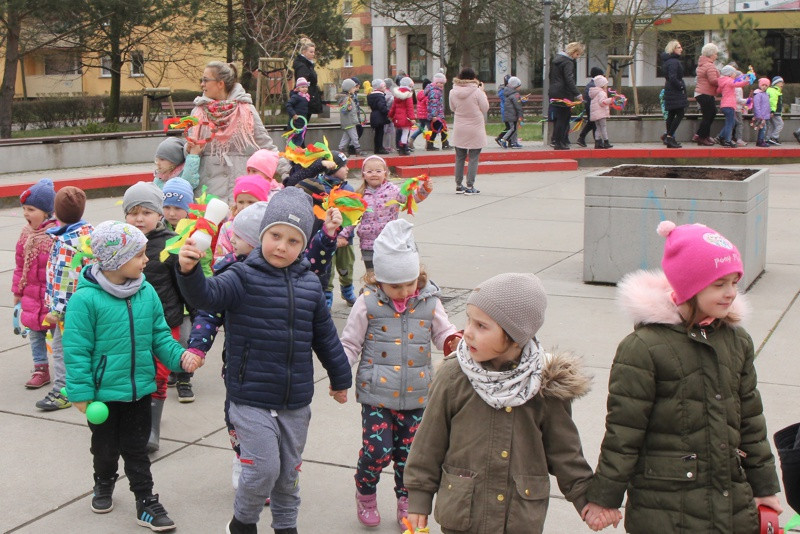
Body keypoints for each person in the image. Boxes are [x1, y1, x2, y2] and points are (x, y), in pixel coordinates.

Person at [585, 221, 782, 532]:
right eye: (719, 285)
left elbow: (751, 422)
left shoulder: (736, 341)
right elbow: (624, 433)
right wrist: (605, 498)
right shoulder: (644, 348)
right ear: (689, 285)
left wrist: (764, 488)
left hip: (731, 503)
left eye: (734, 282)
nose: (730, 293)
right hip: (666, 509)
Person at [176, 187, 352, 534]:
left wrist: (340, 378)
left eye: (293, 241)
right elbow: (207, 297)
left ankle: (286, 526)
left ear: (304, 246)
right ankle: (243, 523)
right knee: (263, 468)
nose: (282, 246)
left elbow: (325, 336)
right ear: (261, 236)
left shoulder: (310, 286)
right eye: (275, 236)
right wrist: (189, 272)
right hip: (250, 395)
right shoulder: (241, 276)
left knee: (288, 473)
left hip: (295, 398)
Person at [403, 272, 620, 533]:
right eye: (469, 321)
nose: (468, 333)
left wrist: (588, 501)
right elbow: (428, 443)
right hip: (464, 515)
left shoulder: (543, 384)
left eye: (482, 326)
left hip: (518, 517)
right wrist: (419, 500)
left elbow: (565, 452)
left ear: (515, 336)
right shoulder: (454, 376)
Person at [62, 220, 201, 532]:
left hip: (139, 391)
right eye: (139, 254)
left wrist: (180, 357)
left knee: (136, 449)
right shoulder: (85, 300)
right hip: (103, 395)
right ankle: (103, 481)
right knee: (105, 449)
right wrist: (81, 393)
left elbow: (160, 337)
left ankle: (146, 501)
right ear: (117, 259)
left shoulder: (146, 291)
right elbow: (76, 350)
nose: (146, 259)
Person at [339, 219, 458, 528]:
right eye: (395, 286)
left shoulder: (429, 301)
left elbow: (444, 333)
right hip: (376, 395)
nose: (404, 291)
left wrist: (454, 344)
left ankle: (406, 500)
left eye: (410, 283)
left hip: (418, 395)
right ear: (378, 280)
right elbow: (350, 342)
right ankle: (365, 491)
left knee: (410, 456)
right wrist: (339, 376)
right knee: (377, 452)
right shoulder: (367, 304)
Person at [122, 182, 188, 448]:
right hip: (129, 322)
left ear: (159, 215)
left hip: (165, 320)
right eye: (133, 212)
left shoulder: (171, 243)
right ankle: (136, 417)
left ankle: (152, 430)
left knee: (160, 373)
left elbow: (184, 283)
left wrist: (195, 315)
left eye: (146, 212)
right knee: (135, 371)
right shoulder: (120, 242)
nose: (139, 218)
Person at [190, 61, 290, 202]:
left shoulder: (246, 110)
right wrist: (190, 150)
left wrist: (288, 172)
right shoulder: (198, 111)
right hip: (207, 191)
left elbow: (265, 146)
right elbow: (189, 151)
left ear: (221, 83)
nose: (202, 84)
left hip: (240, 192)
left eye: (205, 80)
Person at [37, 186, 93, 411]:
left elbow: (64, 280)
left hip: (69, 310)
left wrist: (57, 310)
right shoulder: (88, 234)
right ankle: (86, 384)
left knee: (62, 348)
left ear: (56, 213)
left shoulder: (66, 244)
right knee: (85, 347)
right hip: (88, 305)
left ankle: (63, 390)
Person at [339, 155, 432, 272]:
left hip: (389, 242)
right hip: (368, 244)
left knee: (388, 274)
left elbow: (410, 199)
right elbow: (352, 219)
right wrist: (343, 235)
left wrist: (424, 190)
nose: (374, 174)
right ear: (363, 175)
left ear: (385, 173)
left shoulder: (393, 191)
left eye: (378, 171)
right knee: (372, 275)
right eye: (369, 171)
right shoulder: (360, 195)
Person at [14, 179, 58, 389]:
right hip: (32, 295)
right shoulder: (26, 235)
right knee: (35, 333)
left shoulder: (55, 236)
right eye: (24, 209)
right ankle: (40, 369)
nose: (26, 213)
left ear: (47, 211)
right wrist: (18, 292)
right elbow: (19, 265)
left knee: (59, 335)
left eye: (31, 209)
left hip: (51, 297)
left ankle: (64, 369)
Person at [449, 67, 489, 195]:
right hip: (475, 127)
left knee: (459, 157)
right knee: (473, 158)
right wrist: (483, 92)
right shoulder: (477, 92)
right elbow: (485, 108)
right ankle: (470, 185)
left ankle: (458, 184)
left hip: (460, 127)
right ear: (473, 78)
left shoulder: (452, 91)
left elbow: (452, 107)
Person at [215, 174, 271, 261]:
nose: (245, 207)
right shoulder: (228, 227)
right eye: (241, 202)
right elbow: (220, 256)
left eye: (251, 202)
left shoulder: (267, 227)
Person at [548, 42, 585, 150]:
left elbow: (551, 76)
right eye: (578, 54)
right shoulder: (568, 63)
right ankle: (561, 142)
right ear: (573, 52)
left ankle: (557, 141)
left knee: (559, 117)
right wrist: (577, 93)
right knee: (564, 118)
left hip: (554, 91)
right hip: (564, 92)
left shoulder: (556, 60)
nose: (577, 57)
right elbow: (569, 79)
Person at [660, 40, 688, 148]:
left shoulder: (668, 61)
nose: (681, 49)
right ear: (673, 49)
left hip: (670, 89)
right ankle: (670, 137)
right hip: (675, 91)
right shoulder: (674, 62)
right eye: (679, 47)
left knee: (671, 114)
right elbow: (673, 77)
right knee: (680, 113)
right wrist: (680, 86)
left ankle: (669, 137)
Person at [716, 65, 751, 148]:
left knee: (732, 122)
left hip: (724, 105)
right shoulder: (729, 81)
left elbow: (718, 90)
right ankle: (727, 140)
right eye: (734, 73)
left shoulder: (723, 81)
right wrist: (747, 81)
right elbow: (738, 84)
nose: (735, 74)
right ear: (730, 74)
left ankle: (721, 137)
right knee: (730, 123)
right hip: (729, 105)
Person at [693, 43, 720, 146]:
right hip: (705, 93)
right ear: (711, 54)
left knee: (710, 114)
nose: (716, 56)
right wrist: (722, 81)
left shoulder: (702, 64)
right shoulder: (710, 65)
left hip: (701, 93)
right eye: (716, 54)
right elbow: (713, 80)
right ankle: (701, 136)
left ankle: (704, 135)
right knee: (709, 114)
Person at [291, 38, 323, 117]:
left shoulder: (308, 65)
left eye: (314, 52)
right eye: (311, 52)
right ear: (304, 52)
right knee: (301, 122)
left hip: (308, 96)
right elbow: (302, 83)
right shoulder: (303, 66)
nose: (313, 54)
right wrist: (305, 96)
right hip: (305, 98)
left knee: (304, 122)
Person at [576, 67, 605, 148]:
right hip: (593, 107)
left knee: (591, 123)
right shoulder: (595, 84)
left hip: (589, 106)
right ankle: (597, 142)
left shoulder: (590, 84)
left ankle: (582, 138)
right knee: (595, 124)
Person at [338, 78, 367, 156]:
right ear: (349, 88)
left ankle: (341, 149)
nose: (355, 89)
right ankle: (358, 149)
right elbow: (343, 109)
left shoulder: (348, 97)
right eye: (354, 87)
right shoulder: (346, 98)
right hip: (350, 121)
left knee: (346, 137)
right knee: (354, 136)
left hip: (348, 121)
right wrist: (347, 108)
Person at [389, 76, 416, 155]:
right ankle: (404, 147)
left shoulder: (396, 94)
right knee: (405, 132)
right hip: (406, 118)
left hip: (398, 117)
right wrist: (412, 118)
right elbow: (410, 108)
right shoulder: (408, 95)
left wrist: (390, 115)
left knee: (400, 131)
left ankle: (400, 148)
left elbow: (393, 106)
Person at [425, 72, 451, 150]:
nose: (441, 85)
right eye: (439, 83)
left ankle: (444, 143)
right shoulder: (435, 91)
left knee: (441, 129)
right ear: (435, 82)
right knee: (435, 130)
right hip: (436, 115)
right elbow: (434, 104)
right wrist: (434, 115)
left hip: (437, 114)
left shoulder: (435, 90)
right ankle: (431, 144)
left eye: (442, 83)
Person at [588, 75, 615, 149]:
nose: (607, 85)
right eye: (606, 84)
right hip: (601, 114)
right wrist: (610, 100)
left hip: (596, 114)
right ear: (602, 85)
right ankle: (606, 142)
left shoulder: (595, 93)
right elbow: (602, 102)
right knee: (603, 127)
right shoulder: (602, 93)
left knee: (598, 128)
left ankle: (597, 142)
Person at [285, 77, 310, 147]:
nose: (305, 89)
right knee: (292, 139)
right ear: (298, 88)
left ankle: (297, 152)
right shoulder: (296, 97)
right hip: (294, 122)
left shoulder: (306, 97)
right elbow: (288, 105)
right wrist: (293, 114)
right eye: (302, 87)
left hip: (302, 123)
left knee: (300, 140)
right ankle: (291, 151)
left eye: (306, 87)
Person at [367, 79, 390, 154]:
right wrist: (388, 112)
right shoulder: (380, 96)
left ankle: (377, 148)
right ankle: (380, 148)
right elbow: (382, 107)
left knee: (377, 133)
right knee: (380, 133)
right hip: (379, 116)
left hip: (374, 115)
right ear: (380, 87)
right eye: (384, 86)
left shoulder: (371, 96)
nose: (385, 88)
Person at [501, 76, 524, 149]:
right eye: (519, 86)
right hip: (513, 115)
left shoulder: (508, 93)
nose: (520, 87)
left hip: (509, 114)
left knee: (514, 129)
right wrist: (520, 115)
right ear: (515, 86)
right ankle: (503, 139)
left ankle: (514, 143)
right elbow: (518, 106)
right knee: (513, 129)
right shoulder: (515, 95)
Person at [410, 78, 431, 150]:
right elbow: (428, 105)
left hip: (420, 115)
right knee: (429, 130)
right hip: (427, 115)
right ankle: (428, 144)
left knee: (421, 129)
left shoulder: (419, 93)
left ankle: (411, 140)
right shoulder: (427, 95)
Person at [752, 77, 772, 147]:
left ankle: (760, 140)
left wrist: (769, 113)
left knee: (763, 128)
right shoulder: (758, 94)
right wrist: (758, 115)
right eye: (763, 85)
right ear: (760, 85)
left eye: (766, 85)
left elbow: (767, 105)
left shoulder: (766, 94)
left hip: (765, 115)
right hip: (761, 115)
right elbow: (757, 105)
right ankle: (760, 141)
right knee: (762, 128)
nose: (764, 87)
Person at [765, 76, 784, 145]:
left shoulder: (773, 90)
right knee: (780, 124)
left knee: (771, 125)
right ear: (775, 83)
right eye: (780, 82)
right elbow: (772, 102)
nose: (782, 84)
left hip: (771, 111)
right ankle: (774, 137)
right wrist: (772, 111)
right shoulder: (774, 91)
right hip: (775, 112)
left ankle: (768, 138)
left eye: (782, 82)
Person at [495, 74, 512, 148]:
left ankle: (509, 141)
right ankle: (500, 138)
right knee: (510, 127)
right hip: (506, 111)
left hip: (508, 110)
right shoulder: (503, 90)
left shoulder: (508, 89)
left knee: (510, 127)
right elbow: (507, 100)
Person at [733, 69, 748, 147]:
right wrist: (747, 101)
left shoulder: (735, 87)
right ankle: (739, 139)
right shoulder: (738, 88)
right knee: (739, 124)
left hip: (735, 108)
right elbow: (738, 100)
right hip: (737, 109)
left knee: (734, 123)